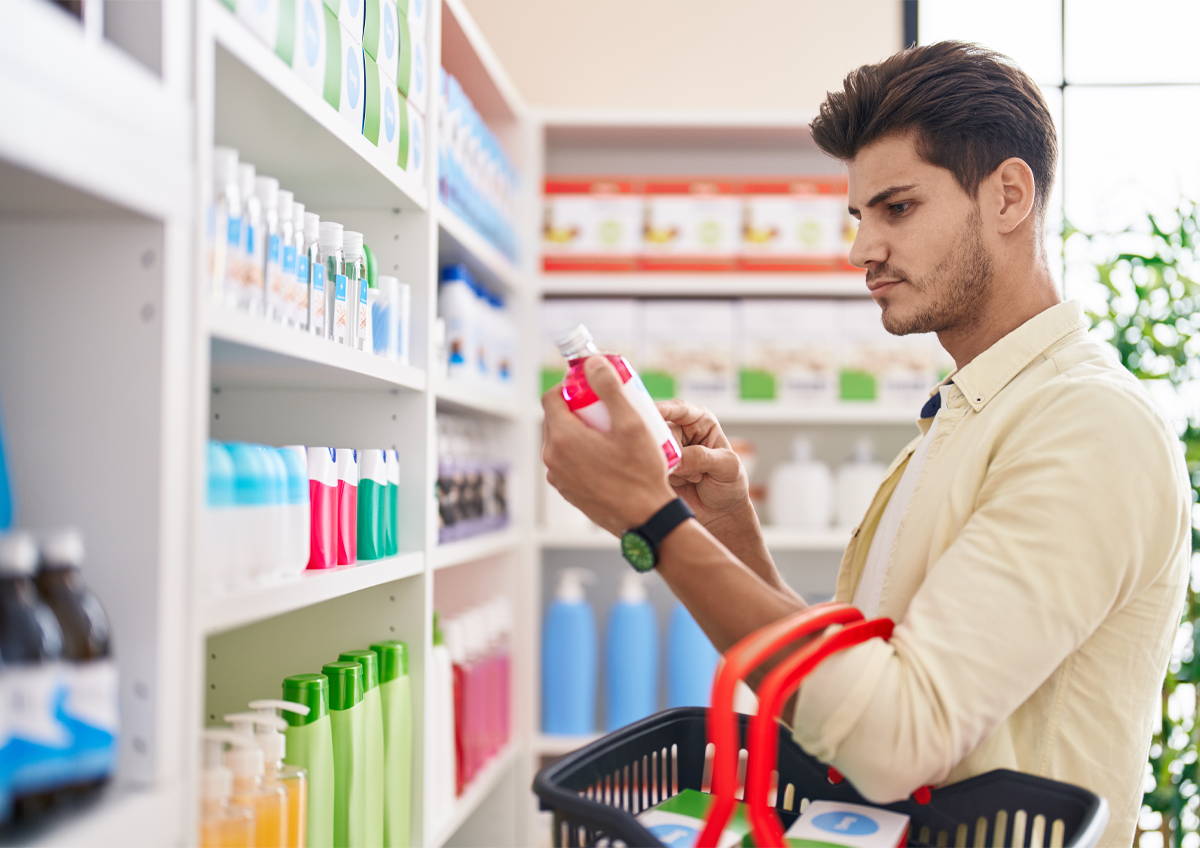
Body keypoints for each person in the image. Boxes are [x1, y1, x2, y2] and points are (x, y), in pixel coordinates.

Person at [540, 41, 1191, 847]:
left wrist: (650, 524)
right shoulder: (967, 410)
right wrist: (727, 534)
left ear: (1009, 197)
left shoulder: (1091, 426)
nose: (861, 250)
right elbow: (849, 700)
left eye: (898, 208)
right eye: (859, 216)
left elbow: (893, 741)